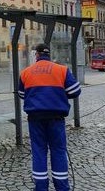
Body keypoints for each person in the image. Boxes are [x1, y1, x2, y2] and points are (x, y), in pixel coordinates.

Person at [18, 43, 81, 191]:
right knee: (58, 150)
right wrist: (59, 94)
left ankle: (40, 187)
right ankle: (62, 187)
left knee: (38, 151)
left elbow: (22, 95)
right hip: (56, 118)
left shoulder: (26, 72)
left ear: (37, 55)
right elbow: (75, 91)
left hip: (35, 118)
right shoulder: (62, 70)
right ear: (49, 54)